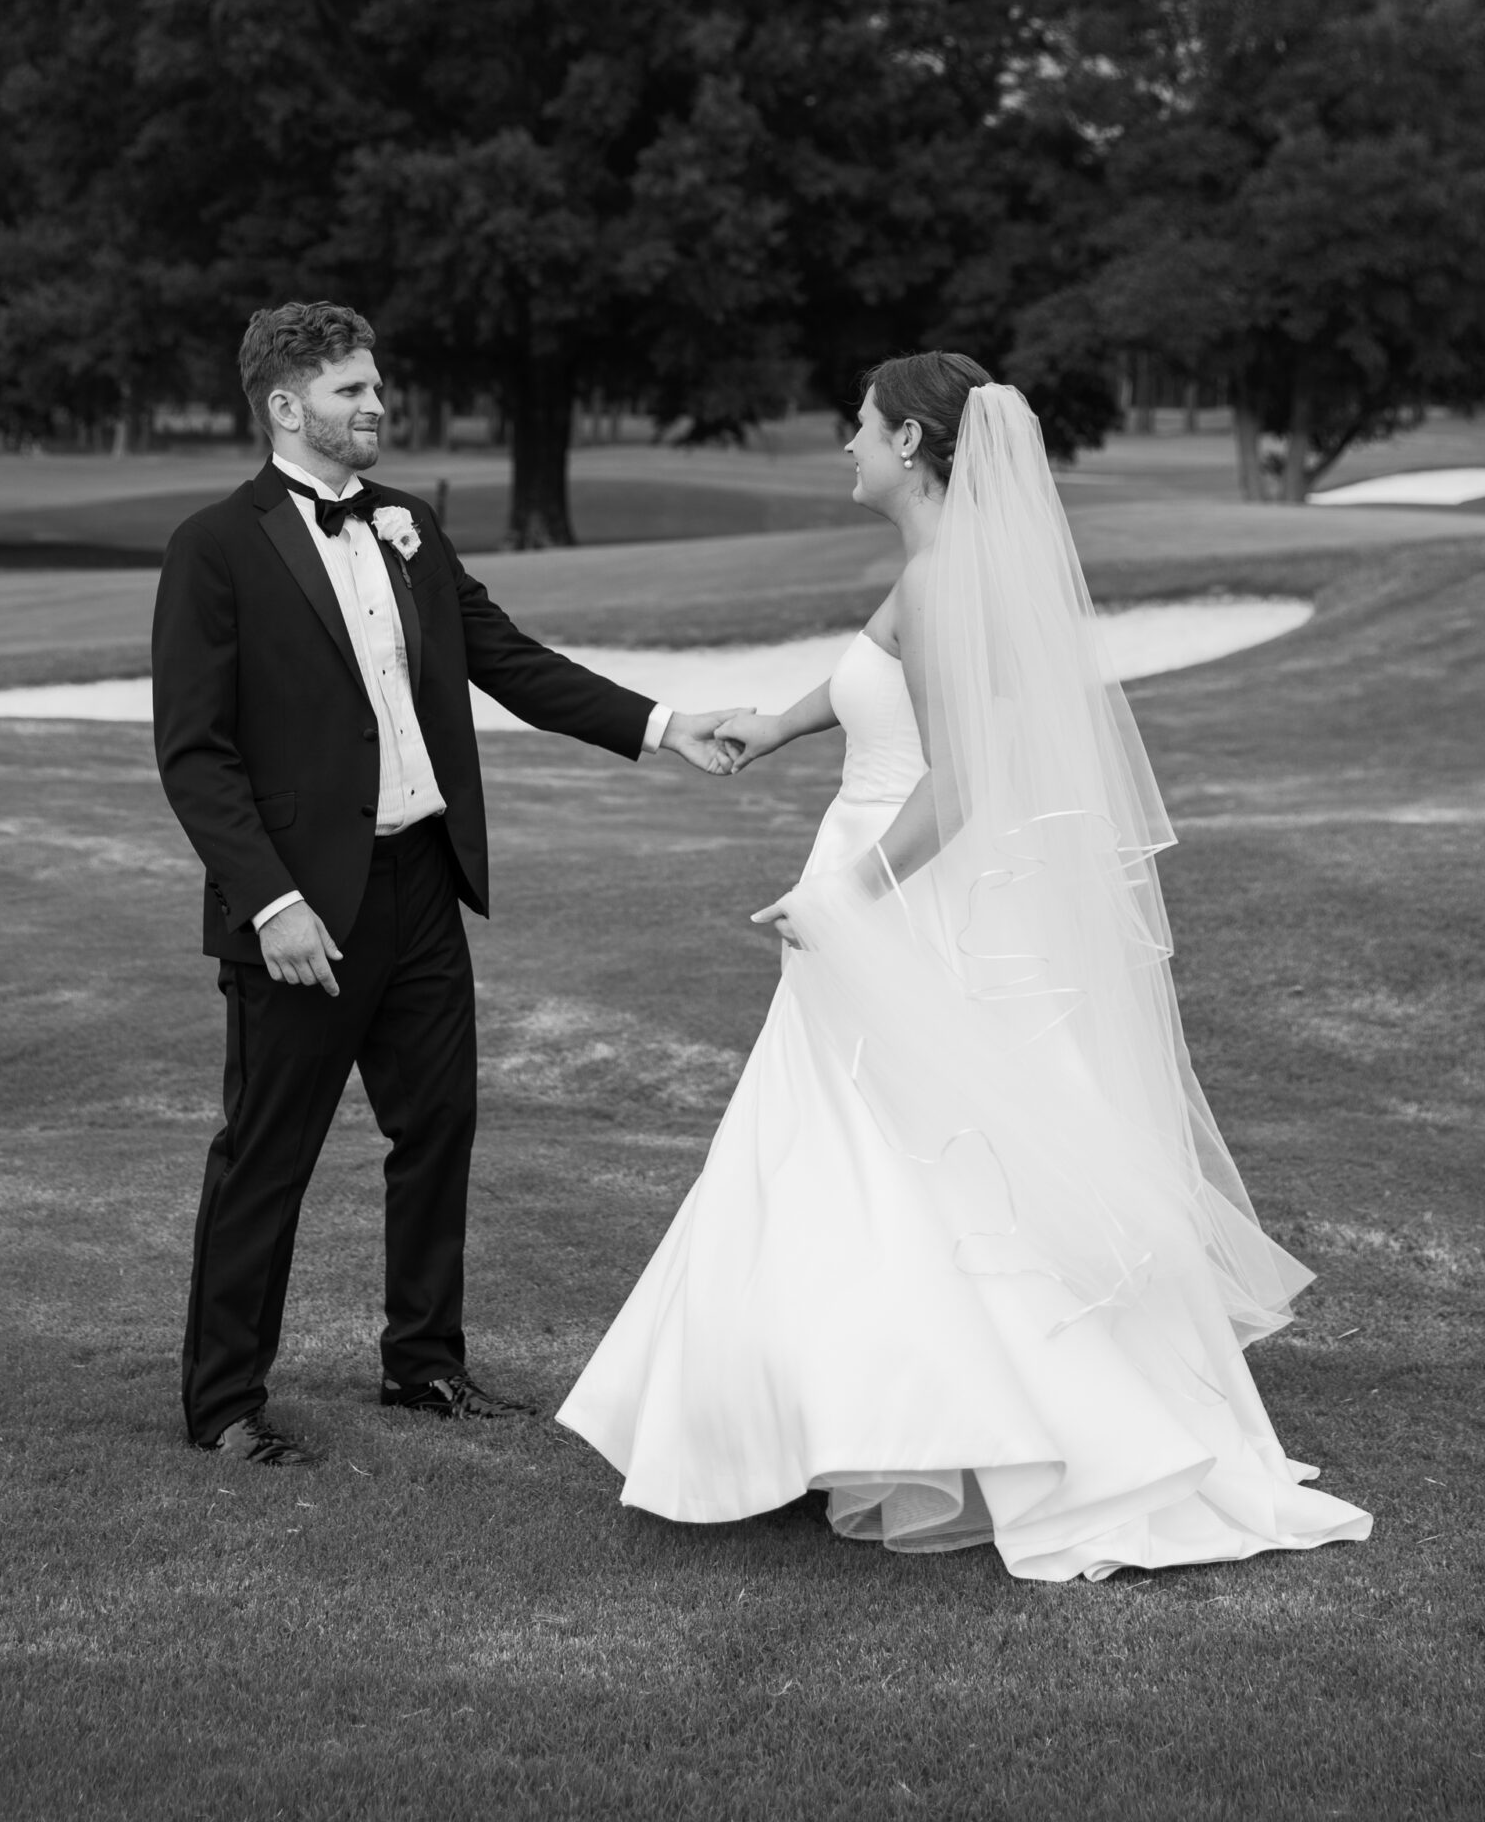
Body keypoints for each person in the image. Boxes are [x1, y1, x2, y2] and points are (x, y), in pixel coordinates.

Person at [558, 355, 1372, 1580]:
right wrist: (772, 726)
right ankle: (859, 1420)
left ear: (914, 447)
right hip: (884, 894)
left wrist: (847, 900)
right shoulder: (931, 577)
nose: (846, 444)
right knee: (859, 1162)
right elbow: (870, 676)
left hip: (904, 900)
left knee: (905, 1172)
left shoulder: (946, 585)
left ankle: (966, 1428)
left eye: (861, 427)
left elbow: (964, 785)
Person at [152, 301, 736, 1468]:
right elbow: (195, 755)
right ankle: (223, 1403)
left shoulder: (410, 525)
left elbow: (508, 662)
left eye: (376, 387)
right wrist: (272, 904)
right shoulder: (215, 547)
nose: (377, 406)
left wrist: (664, 725)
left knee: (440, 1129)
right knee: (269, 1150)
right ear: (286, 404)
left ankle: (423, 1365)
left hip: (420, 881)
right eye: (352, 391)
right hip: (303, 913)